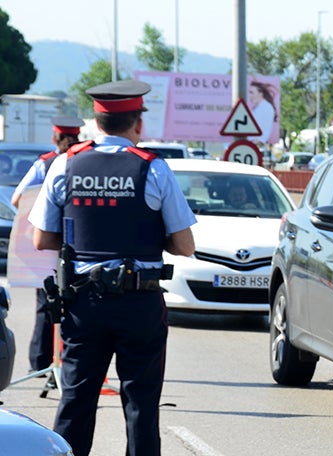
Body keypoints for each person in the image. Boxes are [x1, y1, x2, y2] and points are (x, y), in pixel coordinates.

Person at [28, 80, 197, 456]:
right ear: (138, 124)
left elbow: (41, 239)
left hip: (83, 304)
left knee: (75, 401)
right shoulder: (152, 169)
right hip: (139, 303)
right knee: (140, 404)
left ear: (96, 121)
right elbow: (185, 244)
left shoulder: (65, 164)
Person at [11, 115, 84, 377]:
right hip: (80, 245)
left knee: (46, 303)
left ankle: (40, 361)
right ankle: (66, 360)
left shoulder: (45, 164)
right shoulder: (84, 161)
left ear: (57, 138)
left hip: (49, 244)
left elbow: (18, 199)